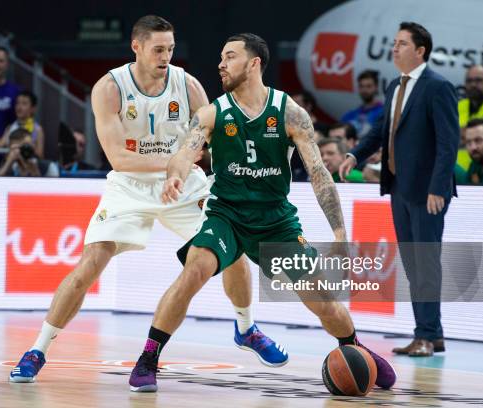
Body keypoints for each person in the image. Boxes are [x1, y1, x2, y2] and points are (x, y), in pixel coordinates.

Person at [8, 16, 286, 384]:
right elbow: (120, 159)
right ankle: (38, 349)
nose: (165, 57)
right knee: (91, 263)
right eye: (158, 49)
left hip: (184, 183)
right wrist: (179, 162)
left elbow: (213, 141)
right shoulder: (109, 88)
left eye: (170, 49)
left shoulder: (187, 86)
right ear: (136, 47)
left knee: (231, 249)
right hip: (130, 185)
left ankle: (246, 328)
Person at [128, 32, 396, 393]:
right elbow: (183, 152)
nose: (221, 64)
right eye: (221, 57)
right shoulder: (212, 113)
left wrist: (338, 230)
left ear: (254, 63)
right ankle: (148, 358)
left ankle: (353, 348)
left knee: (322, 300)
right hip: (228, 216)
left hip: (276, 220)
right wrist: (174, 176)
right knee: (195, 270)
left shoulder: (290, 113)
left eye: (230, 56)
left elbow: (319, 174)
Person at [340, 22, 459, 357]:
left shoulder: (438, 87)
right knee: (412, 262)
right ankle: (431, 334)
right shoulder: (395, 86)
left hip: (427, 191)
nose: (394, 49)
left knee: (426, 262)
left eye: (402, 44)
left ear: (420, 51)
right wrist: (354, 154)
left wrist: (438, 187)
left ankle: (424, 335)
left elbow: (449, 143)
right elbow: (380, 130)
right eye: (394, 43)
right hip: (399, 187)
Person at [0, 90, 45, 158]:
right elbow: (1, 142)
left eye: (24, 103)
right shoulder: (10, 127)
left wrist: (30, 146)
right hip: (12, 166)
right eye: (17, 103)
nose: (19, 107)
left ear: (33, 108)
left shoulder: (37, 129)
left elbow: (40, 156)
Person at [341, 70, 384, 138]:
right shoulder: (351, 114)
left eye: (368, 86)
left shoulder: (383, 113)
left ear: (376, 87)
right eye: (361, 86)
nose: (364, 90)